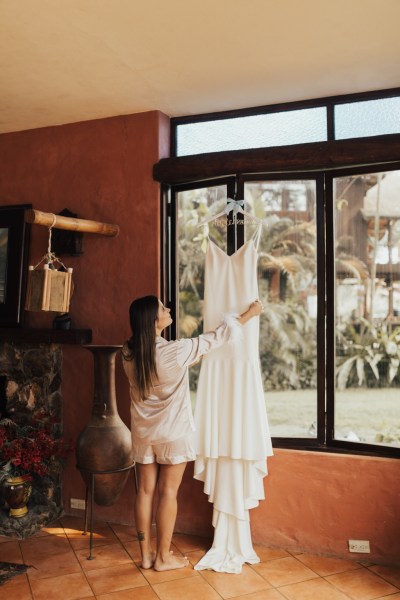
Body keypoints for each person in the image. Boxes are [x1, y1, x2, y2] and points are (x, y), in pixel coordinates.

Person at [122, 294, 263, 571]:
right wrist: (250, 314)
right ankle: (163, 558)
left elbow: (159, 365)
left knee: (145, 491)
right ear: (153, 321)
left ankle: (146, 556)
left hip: (143, 434)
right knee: (168, 493)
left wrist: (187, 361)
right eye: (163, 308)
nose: (168, 309)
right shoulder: (175, 352)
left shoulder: (127, 352)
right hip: (173, 434)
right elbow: (217, 336)